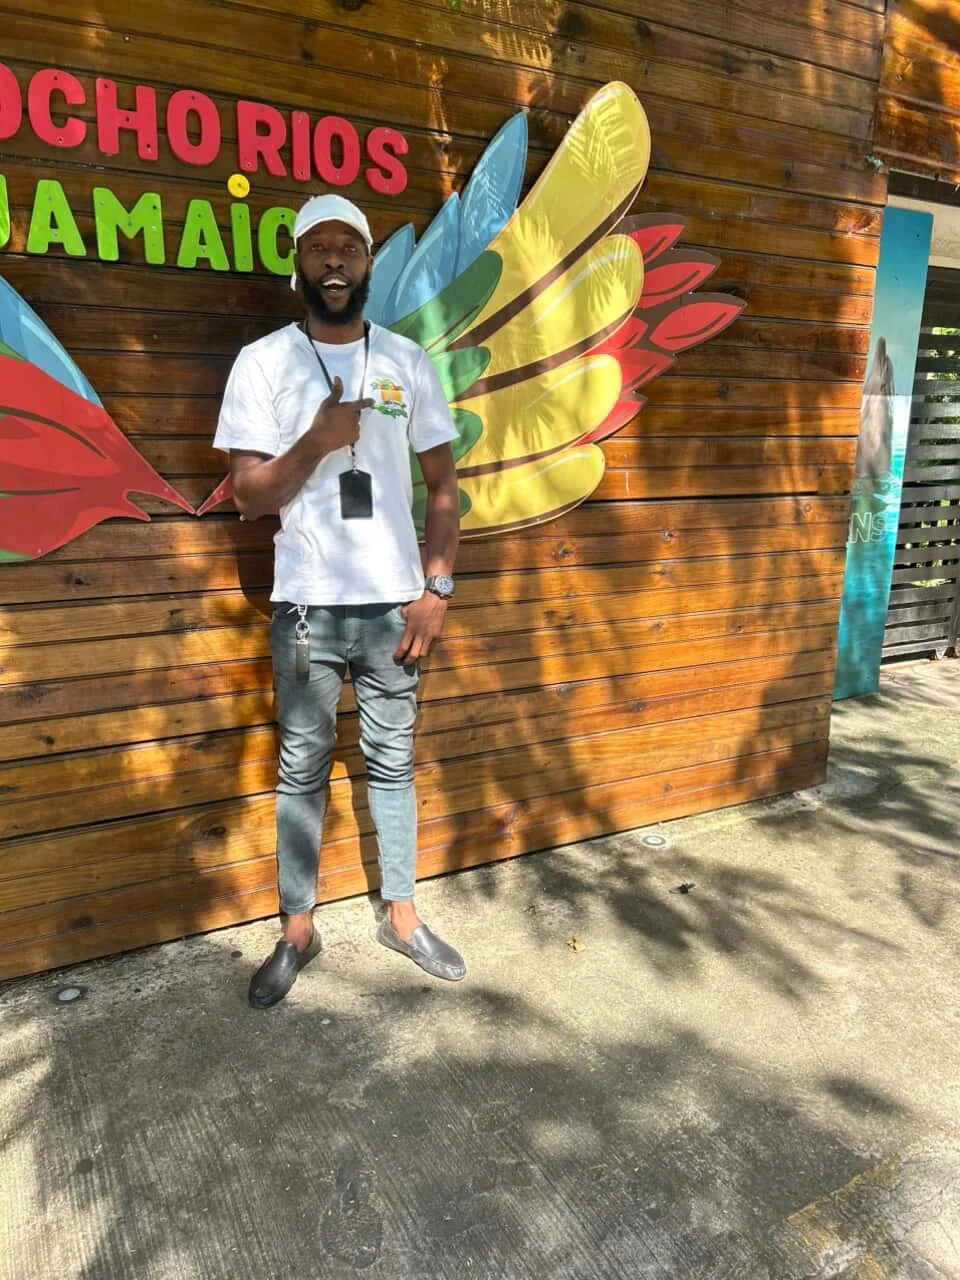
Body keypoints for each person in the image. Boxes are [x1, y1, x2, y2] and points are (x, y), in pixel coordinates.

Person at [214, 194, 464, 1008]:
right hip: (305, 610)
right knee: (301, 767)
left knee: (393, 762)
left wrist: (436, 587)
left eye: (347, 248)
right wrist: (319, 439)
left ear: (367, 263)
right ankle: (297, 929)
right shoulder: (263, 363)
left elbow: (443, 487)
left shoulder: (406, 360)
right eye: (317, 248)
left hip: (396, 608)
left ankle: (402, 915)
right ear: (297, 263)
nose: (333, 261)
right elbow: (248, 496)